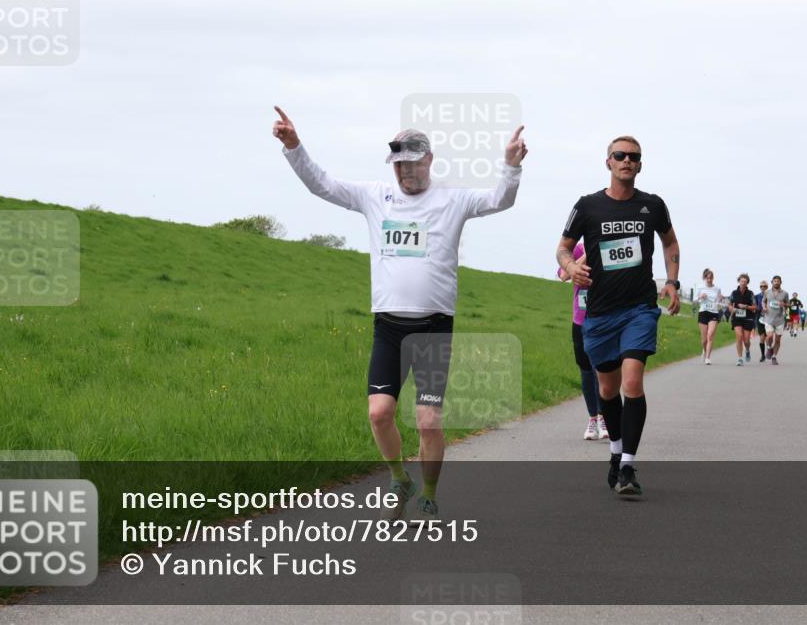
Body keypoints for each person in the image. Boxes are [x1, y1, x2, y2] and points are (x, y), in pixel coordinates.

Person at [273, 106, 527, 521]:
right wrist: (294, 147)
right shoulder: (375, 196)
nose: (404, 172)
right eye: (397, 165)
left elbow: (499, 200)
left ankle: (428, 493)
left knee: (428, 421)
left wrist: (510, 166)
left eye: (411, 163)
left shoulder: (454, 199)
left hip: (433, 328)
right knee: (379, 412)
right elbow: (323, 185)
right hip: (388, 326)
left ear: (428, 160)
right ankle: (398, 477)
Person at [557, 135, 681, 497]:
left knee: (631, 383)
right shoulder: (588, 206)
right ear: (608, 162)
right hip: (599, 313)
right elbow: (563, 248)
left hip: (639, 309)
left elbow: (670, 242)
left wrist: (672, 280)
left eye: (634, 157)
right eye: (620, 155)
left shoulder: (653, 206)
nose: (627, 160)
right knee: (607, 390)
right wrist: (571, 267)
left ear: (640, 165)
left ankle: (627, 464)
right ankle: (614, 453)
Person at [558, 244, 607, 440]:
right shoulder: (577, 250)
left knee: (601, 371)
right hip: (580, 320)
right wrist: (588, 254)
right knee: (586, 371)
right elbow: (563, 275)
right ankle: (592, 419)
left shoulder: (607, 246)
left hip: (602, 319)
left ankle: (604, 418)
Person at [728, 273, 757, 366]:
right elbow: (729, 304)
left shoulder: (750, 293)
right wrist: (732, 309)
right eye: (742, 281)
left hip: (748, 318)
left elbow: (755, 307)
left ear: (747, 283)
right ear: (739, 281)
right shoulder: (734, 293)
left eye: (745, 281)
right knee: (739, 336)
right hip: (737, 318)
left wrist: (746, 307)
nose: (743, 283)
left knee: (746, 340)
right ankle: (740, 358)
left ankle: (747, 350)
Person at [695, 269, 722, 365]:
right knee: (704, 340)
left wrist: (720, 300)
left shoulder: (717, 288)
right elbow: (695, 299)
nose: (709, 280)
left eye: (711, 278)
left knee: (710, 336)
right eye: (707, 278)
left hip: (713, 313)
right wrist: (700, 297)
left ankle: (707, 358)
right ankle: (704, 349)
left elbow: (719, 300)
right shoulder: (700, 287)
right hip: (703, 312)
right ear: (704, 278)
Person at [762, 275, 790, 365]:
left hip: (779, 319)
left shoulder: (785, 293)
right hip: (768, 318)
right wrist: (764, 307)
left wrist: (784, 304)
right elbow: (763, 301)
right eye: (775, 281)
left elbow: (788, 304)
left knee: (777, 340)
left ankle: (774, 356)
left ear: (780, 282)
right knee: (769, 336)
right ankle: (769, 347)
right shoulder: (767, 292)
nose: (776, 282)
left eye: (778, 281)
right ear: (772, 282)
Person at [755, 281, 769, 362]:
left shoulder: (770, 296)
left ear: (767, 287)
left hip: (769, 318)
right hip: (759, 318)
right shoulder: (756, 296)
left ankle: (769, 350)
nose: (763, 288)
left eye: (765, 286)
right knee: (762, 337)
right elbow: (754, 306)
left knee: (768, 337)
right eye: (761, 286)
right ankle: (763, 355)